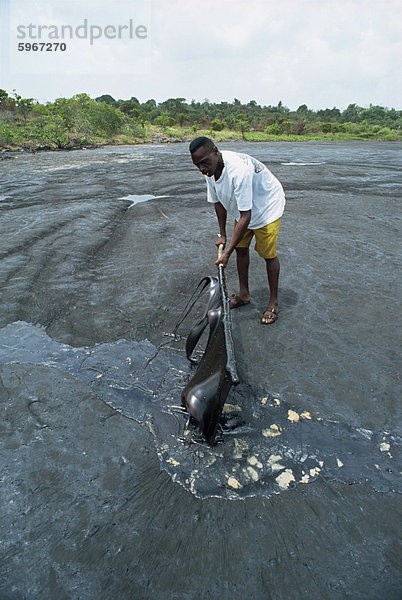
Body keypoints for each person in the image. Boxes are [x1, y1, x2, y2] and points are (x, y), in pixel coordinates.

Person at [189, 136, 286, 324]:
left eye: (204, 162)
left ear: (215, 152)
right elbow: (218, 203)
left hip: (267, 206)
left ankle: (273, 303)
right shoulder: (209, 171)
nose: (201, 169)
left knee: (268, 254)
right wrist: (223, 234)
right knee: (241, 247)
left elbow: (246, 217)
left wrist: (226, 253)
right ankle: (244, 295)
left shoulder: (238, 171)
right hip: (243, 208)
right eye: (197, 165)